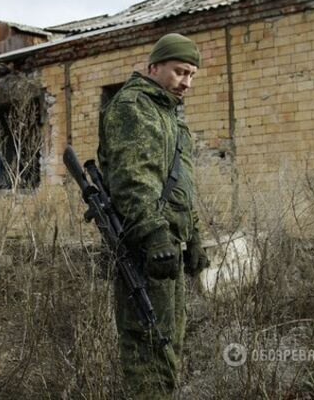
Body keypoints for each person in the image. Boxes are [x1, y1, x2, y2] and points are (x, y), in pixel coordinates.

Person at [98, 33, 210, 399]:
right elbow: (133, 178)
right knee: (147, 344)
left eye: (191, 75)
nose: (186, 82)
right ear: (153, 67)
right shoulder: (134, 107)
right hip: (144, 247)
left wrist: (193, 234)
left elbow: (180, 186)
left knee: (168, 342)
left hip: (168, 245)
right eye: (179, 72)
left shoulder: (171, 115)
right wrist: (154, 234)